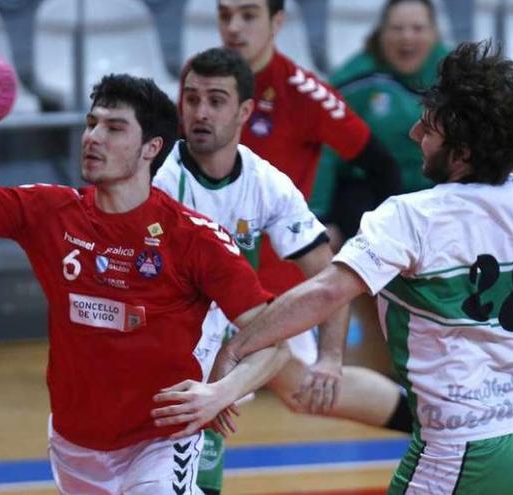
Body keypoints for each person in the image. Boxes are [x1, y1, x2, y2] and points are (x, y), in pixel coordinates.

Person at [165, 41, 513, 494]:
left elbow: (324, 292)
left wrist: (235, 348)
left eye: (427, 127)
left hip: (466, 447)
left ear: (462, 149)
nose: (412, 135)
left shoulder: (411, 217)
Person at [0, 74, 290, 494]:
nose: (93, 137)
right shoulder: (48, 212)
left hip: (161, 441)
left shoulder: (194, 238)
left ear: (151, 148)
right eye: (92, 123)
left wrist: (221, 393)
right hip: (76, 447)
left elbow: (274, 340)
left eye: (114, 128)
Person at [161, 47, 411, 495]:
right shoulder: (159, 177)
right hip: (171, 330)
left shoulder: (267, 182)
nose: (200, 112)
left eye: (215, 100)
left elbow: (329, 273)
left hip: (241, 324)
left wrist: (331, 358)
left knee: (304, 388)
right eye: (191, 99)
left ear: (244, 112)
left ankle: (438, 424)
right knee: (196, 407)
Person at [215, 0, 402, 301]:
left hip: (280, 292)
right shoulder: (197, 81)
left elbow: (383, 167)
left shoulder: (304, 94)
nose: (233, 27)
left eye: (248, 15)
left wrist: (360, 242)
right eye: (225, 15)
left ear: (277, 23)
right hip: (208, 284)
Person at [313, 0, 450, 241]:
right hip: (370, 200)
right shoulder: (355, 80)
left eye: (417, 28)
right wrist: (318, 219)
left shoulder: (458, 75)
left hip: (436, 196)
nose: (407, 37)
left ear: (434, 34)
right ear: (381, 33)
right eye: (397, 29)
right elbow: (325, 149)